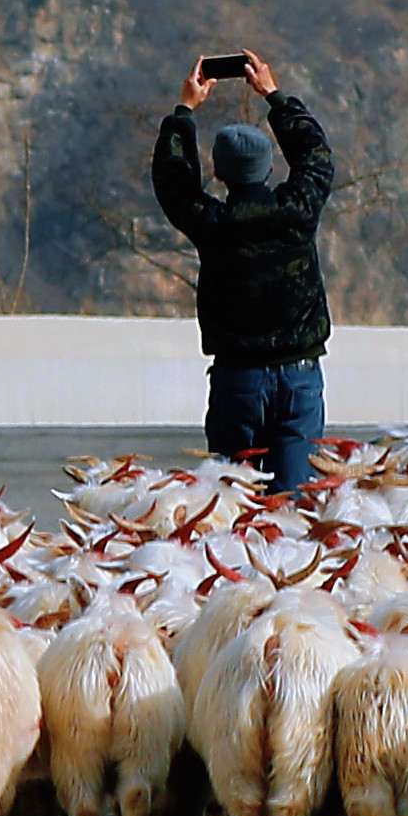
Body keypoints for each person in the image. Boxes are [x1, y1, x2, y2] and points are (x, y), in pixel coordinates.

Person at [152, 50, 337, 494]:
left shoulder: (214, 224)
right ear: (271, 167)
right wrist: (273, 95)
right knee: (292, 503)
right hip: (299, 374)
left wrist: (185, 111)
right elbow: (316, 156)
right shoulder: (298, 211)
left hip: (238, 380)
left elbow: (174, 184)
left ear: (217, 171)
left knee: (235, 500)